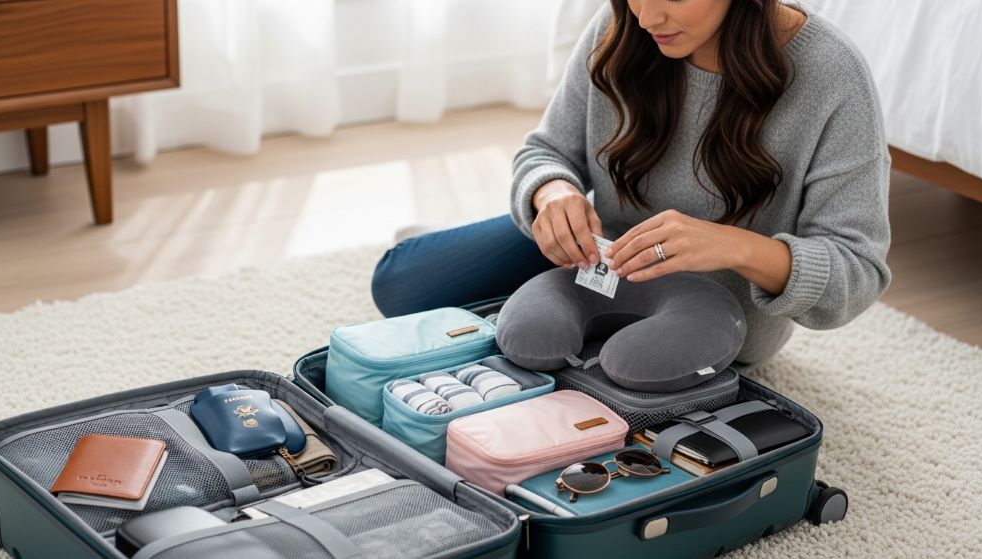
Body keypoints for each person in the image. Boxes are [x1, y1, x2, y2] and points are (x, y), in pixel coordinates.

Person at [371, 0, 891, 372]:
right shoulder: (623, 23)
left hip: (718, 313)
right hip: (594, 260)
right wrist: (553, 193)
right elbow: (545, 151)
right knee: (400, 284)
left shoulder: (832, 75)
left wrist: (734, 245)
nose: (646, 16)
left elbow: (859, 268)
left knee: (623, 369)